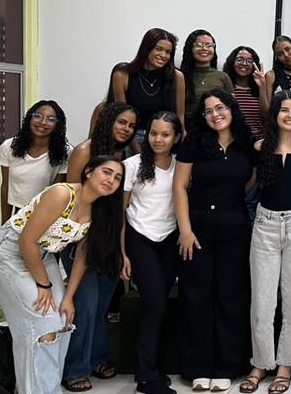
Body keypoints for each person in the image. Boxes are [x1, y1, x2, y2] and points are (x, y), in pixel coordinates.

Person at [0, 156, 124, 394]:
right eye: (106, 172)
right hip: (10, 251)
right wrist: (44, 285)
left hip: (44, 253)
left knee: (62, 319)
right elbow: (26, 241)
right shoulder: (63, 194)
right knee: (42, 324)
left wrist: (69, 297)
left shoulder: (100, 209)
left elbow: (82, 255)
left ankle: (43, 386)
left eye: (118, 177)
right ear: (89, 171)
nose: (111, 180)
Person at [174, 90, 255, 391]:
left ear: (231, 109)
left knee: (230, 295)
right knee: (196, 296)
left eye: (220, 107)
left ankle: (228, 365)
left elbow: (249, 181)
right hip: (196, 230)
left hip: (235, 227)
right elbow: (180, 187)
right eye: (208, 111)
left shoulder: (246, 145)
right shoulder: (194, 143)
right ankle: (198, 366)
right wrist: (185, 229)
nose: (215, 114)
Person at [243, 90, 291, 394]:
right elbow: (247, 185)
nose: (289, 115)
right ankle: (260, 363)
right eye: (284, 110)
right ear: (274, 114)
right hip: (265, 225)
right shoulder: (260, 147)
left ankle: (285, 365)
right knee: (262, 301)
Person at [61, 102, 136, 392]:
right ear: (107, 121)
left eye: (131, 125)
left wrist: (120, 250)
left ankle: (97, 357)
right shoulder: (84, 151)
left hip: (109, 238)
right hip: (80, 238)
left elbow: (121, 208)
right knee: (86, 305)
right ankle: (75, 369)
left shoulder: (126, 155)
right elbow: (72, 199)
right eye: (121, 122)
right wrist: (81, 239)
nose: (125, 129)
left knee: (101, 306)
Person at [120, 112, 183, 394]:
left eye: (165, 134)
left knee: (160, 304)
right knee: (155, 303)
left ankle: (155, 367)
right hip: (139, 239)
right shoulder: (131, 165)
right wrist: (122, 254)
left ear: (176, 137)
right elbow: (120, 214)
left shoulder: (181, 166)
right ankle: (145, 376)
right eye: (153, 133)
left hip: (169, 240)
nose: (158, 139)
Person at [0, 100, 72, 224]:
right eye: (38, 116)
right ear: (29, 118)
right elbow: (6, 186)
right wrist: (4, 223)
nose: (43, 122)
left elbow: (57, 192)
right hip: (18, 213)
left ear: (57, 125)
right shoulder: (9, 146)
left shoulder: (66, 152)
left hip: (46, 214)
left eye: (51, 119)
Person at [112, 28, 186, 143]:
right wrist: (137, 153)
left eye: (168, 52)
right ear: (146, 48)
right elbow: (123, 120)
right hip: (131, 137)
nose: (163, 55)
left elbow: (180, 118)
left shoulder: (177, 77)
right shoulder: (122, 74)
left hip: (165, 139)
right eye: (159, 49)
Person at [178, 30, 233, 123]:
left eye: (209, 45)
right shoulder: (180, 76)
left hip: (215, 127)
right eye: (199, 45)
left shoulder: (223, 77)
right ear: (190, 48)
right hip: (188, 129)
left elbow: (231, 109)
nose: (204, 48)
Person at [223, 46, 269, 140]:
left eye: (249, 61)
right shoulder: (226, 88)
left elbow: (266, 115)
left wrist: (262, 87)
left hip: (258, 142)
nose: (244, 63)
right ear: (232, 62)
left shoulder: (261, 87)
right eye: (240, 59)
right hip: (233, 142)